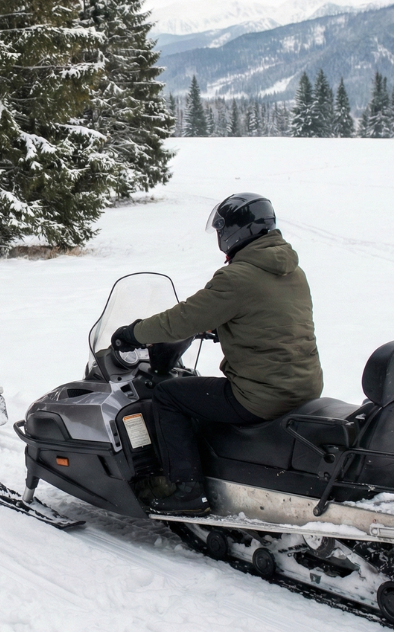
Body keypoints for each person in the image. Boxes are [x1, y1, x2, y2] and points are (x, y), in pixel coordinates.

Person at [110, 193, 323, 515]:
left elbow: (178, 321)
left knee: (169, 395)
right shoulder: (291, 271)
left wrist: (133, 333)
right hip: (304, 386)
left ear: (235, 231)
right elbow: (271, 319)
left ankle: (187, 490)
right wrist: (221, 328)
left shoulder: (238, 277)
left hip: (261, 395)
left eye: (221, 231)